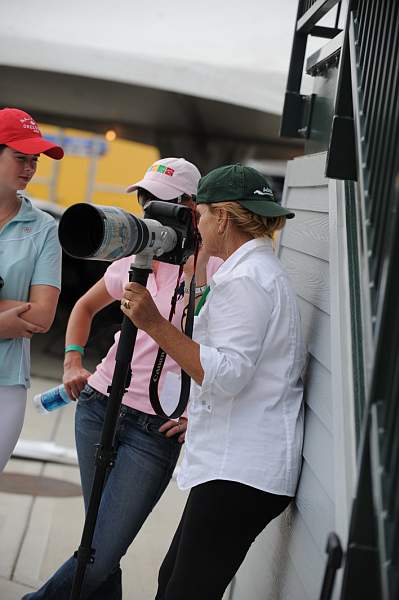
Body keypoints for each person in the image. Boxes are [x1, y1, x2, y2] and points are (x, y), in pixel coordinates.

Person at [23, 157, 222, 600]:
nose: (149, 209)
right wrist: (73, 362)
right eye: (144, 199)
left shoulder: (223, 271)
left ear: (191, 208)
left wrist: (197, 413)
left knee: (98, 553)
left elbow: (228, 359)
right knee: (100, 550)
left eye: (161, 202)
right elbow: (83, 308)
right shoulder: (139, 257)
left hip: (156, 430)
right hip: (99, 408)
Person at [120, 164, 307, 600]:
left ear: (223, 217)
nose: (197, 225)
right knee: (174, 581)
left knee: (183, 591)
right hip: (239, 464)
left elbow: (224, 374)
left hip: (241, 471)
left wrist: (153, 324)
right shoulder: (253, 272)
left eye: (201, 214)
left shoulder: (247, 281)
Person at [0, 107, 63, 472]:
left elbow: (41, 316)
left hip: (6, 383)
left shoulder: (44, 229)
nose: (30, 168)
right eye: (20, 158)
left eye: (34, 160)